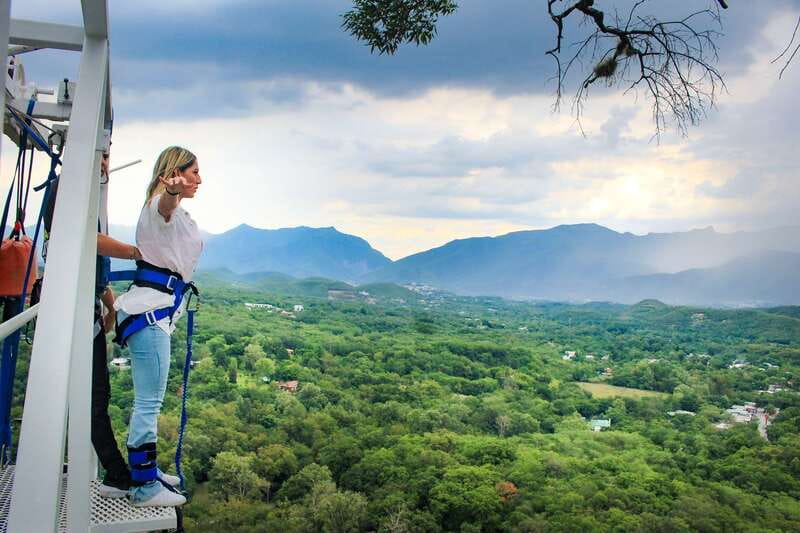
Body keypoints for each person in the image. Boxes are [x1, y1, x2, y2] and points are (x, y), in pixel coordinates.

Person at [113, 146, 203, 507]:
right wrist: (172, 191)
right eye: (194, 172)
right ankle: (143, 487)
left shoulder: (171, 213)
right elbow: (164, 206)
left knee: (147, 401)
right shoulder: (159, 206)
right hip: (151, 314)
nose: (199, 179)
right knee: (148, 402)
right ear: (175, 172)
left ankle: (145, 473)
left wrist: (174, 195)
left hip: (155, 314)